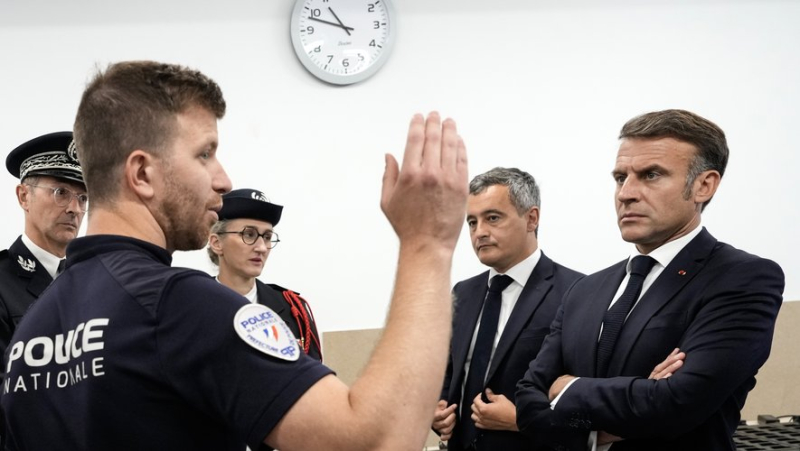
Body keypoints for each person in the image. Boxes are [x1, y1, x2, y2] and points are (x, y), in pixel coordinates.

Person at [1, 60, 469, 451]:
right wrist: (427, 244)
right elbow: (375, 441)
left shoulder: (35, 329)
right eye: (205, 154)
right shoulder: (178, 305)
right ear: (141, 173)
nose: (223, 179)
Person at [515, 109, 785, 451]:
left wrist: (565, 389)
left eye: (651, 175)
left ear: (704, 185)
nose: (626, 193)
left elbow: (677, 404)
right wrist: (603, 427)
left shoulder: (743, 279)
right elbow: (526, 401)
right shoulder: (584, 290)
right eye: (619, 177)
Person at [432, 167, 582, 451]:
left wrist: (522, 420)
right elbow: (447, 370)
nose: (480, 233)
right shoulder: (462, 293)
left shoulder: (576, 292)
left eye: (492, 218)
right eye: (472, 222)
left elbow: (581, 395)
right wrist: (437, 412)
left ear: (531, 218)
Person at [0, 131, 86, 375]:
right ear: (24, 196)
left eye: (83, 197)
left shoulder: (92, 283)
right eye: (61, 193)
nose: (75, 209)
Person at [208, 188, 322, 361]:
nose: (261, 247)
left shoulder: (293, 309)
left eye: (267, 237)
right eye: (249, 234)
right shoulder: (191, 304)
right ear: (217, 243)